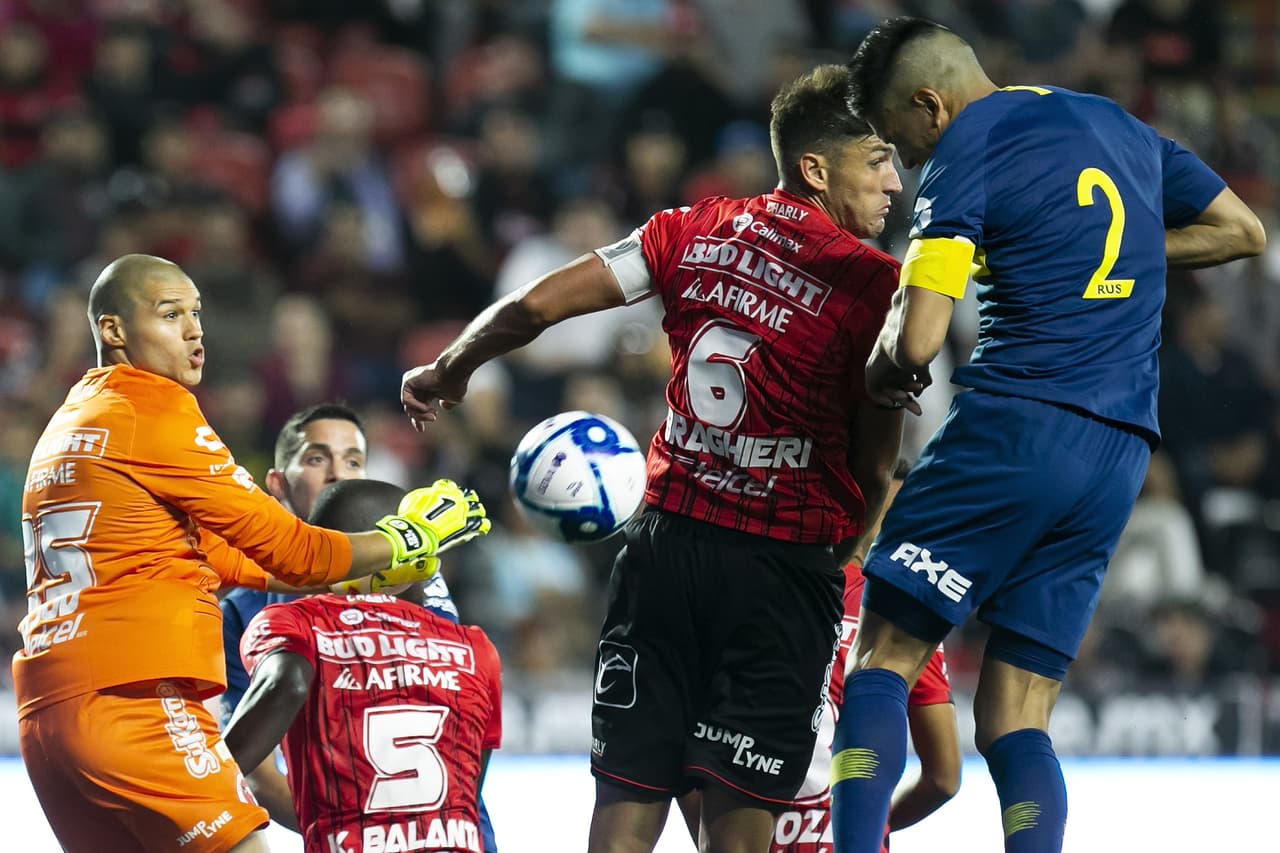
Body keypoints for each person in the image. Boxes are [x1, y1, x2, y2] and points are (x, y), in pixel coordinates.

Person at [402, 64, 907, 853]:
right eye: (878, 158)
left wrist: (452, 367)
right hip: (782, 574)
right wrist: (841, 555)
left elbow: (536, 306)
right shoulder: (877, 288)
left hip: (663, 554)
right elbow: (877, 471)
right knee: (738, 839)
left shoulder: (686, 229)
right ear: (815, 167)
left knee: (624, 819)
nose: (894, 181)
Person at [832, 17, 1266, 853]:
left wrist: (883, 367)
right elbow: (1242, 230)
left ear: (931, 102)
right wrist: (1100, 256)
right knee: (1015, 714)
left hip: (1018, 425)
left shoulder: (968, 148)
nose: (908, 158)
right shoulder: (1121, 127)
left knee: (882, 654)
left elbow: (920, 340)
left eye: (901, 137)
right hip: (1119, 452)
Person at [14, 253, 491, 853]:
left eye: (196, 313)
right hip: (134, 705)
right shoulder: (152, 411)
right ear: (112, 331)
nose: (194, 330)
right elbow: (291, 549)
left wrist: (357, 568)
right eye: (169, 314)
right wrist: (406, 539)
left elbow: (227, 555)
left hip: (50, 721)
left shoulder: (72, 421)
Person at [219, 403, 500, 852]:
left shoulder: (283, 620)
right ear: (277, 484)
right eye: (317, 459)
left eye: (353, 461)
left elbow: (237, 756)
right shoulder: (472, 642)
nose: (338, 474)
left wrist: (357, 824)